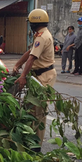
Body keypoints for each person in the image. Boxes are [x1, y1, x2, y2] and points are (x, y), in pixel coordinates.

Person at [13, 9, 57, 151]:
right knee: (30, 109)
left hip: (44, 77)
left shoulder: (42, 37)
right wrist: (18, 64)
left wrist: (22, 76)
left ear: (35, 23)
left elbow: (32, 58)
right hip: (39, 76)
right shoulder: (41, 34)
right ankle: (30, 141)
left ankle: (36, 147)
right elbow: (30, 52)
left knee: (38, 111)